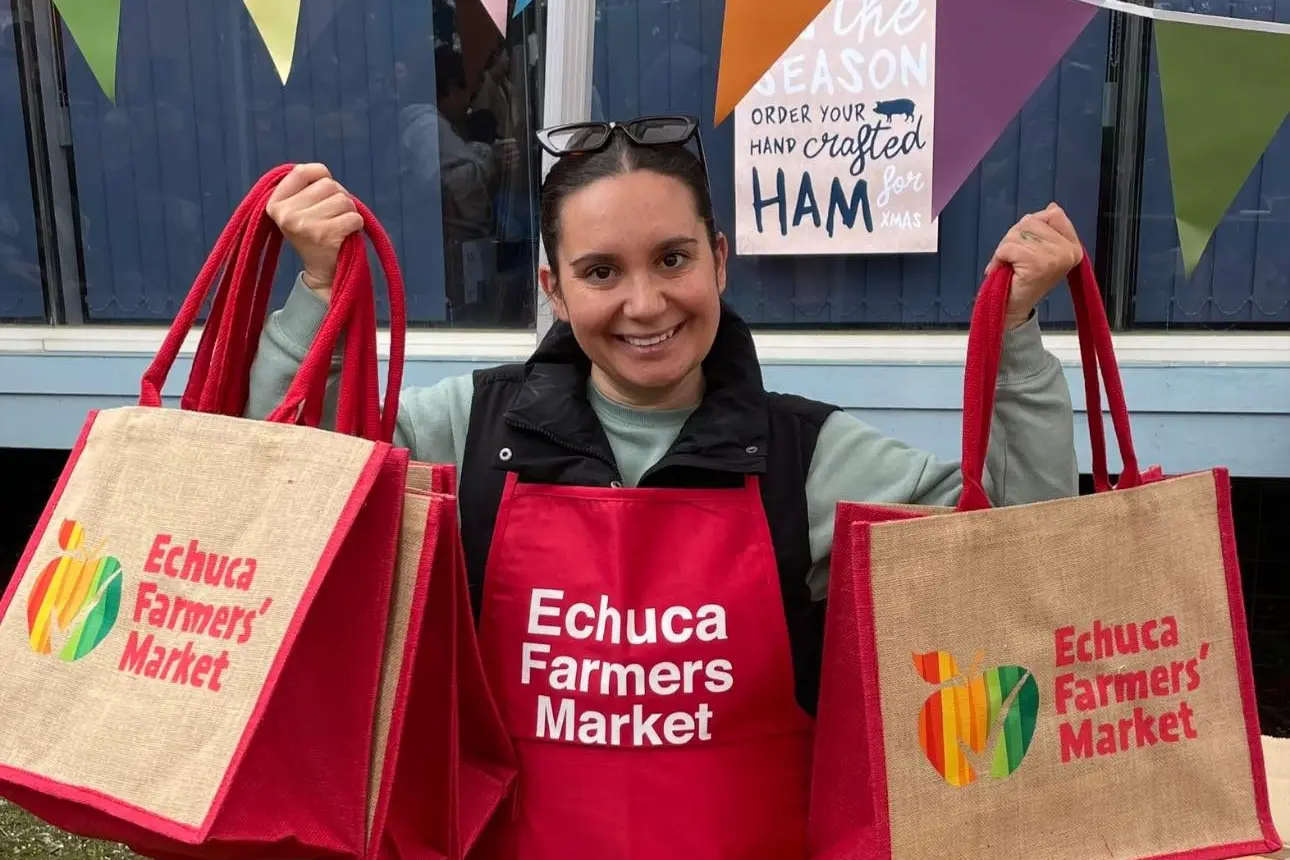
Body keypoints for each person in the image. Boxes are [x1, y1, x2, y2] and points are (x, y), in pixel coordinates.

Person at [247, 115, 1080, 859]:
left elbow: (1017, 560)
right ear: (554, 290)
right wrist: (316, 292)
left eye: (672, 259)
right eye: (600, 272)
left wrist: (1015, 340)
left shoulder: (810, 459)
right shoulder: (469, 431)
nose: (644, 305)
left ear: (719, 260)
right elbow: (284, 502)